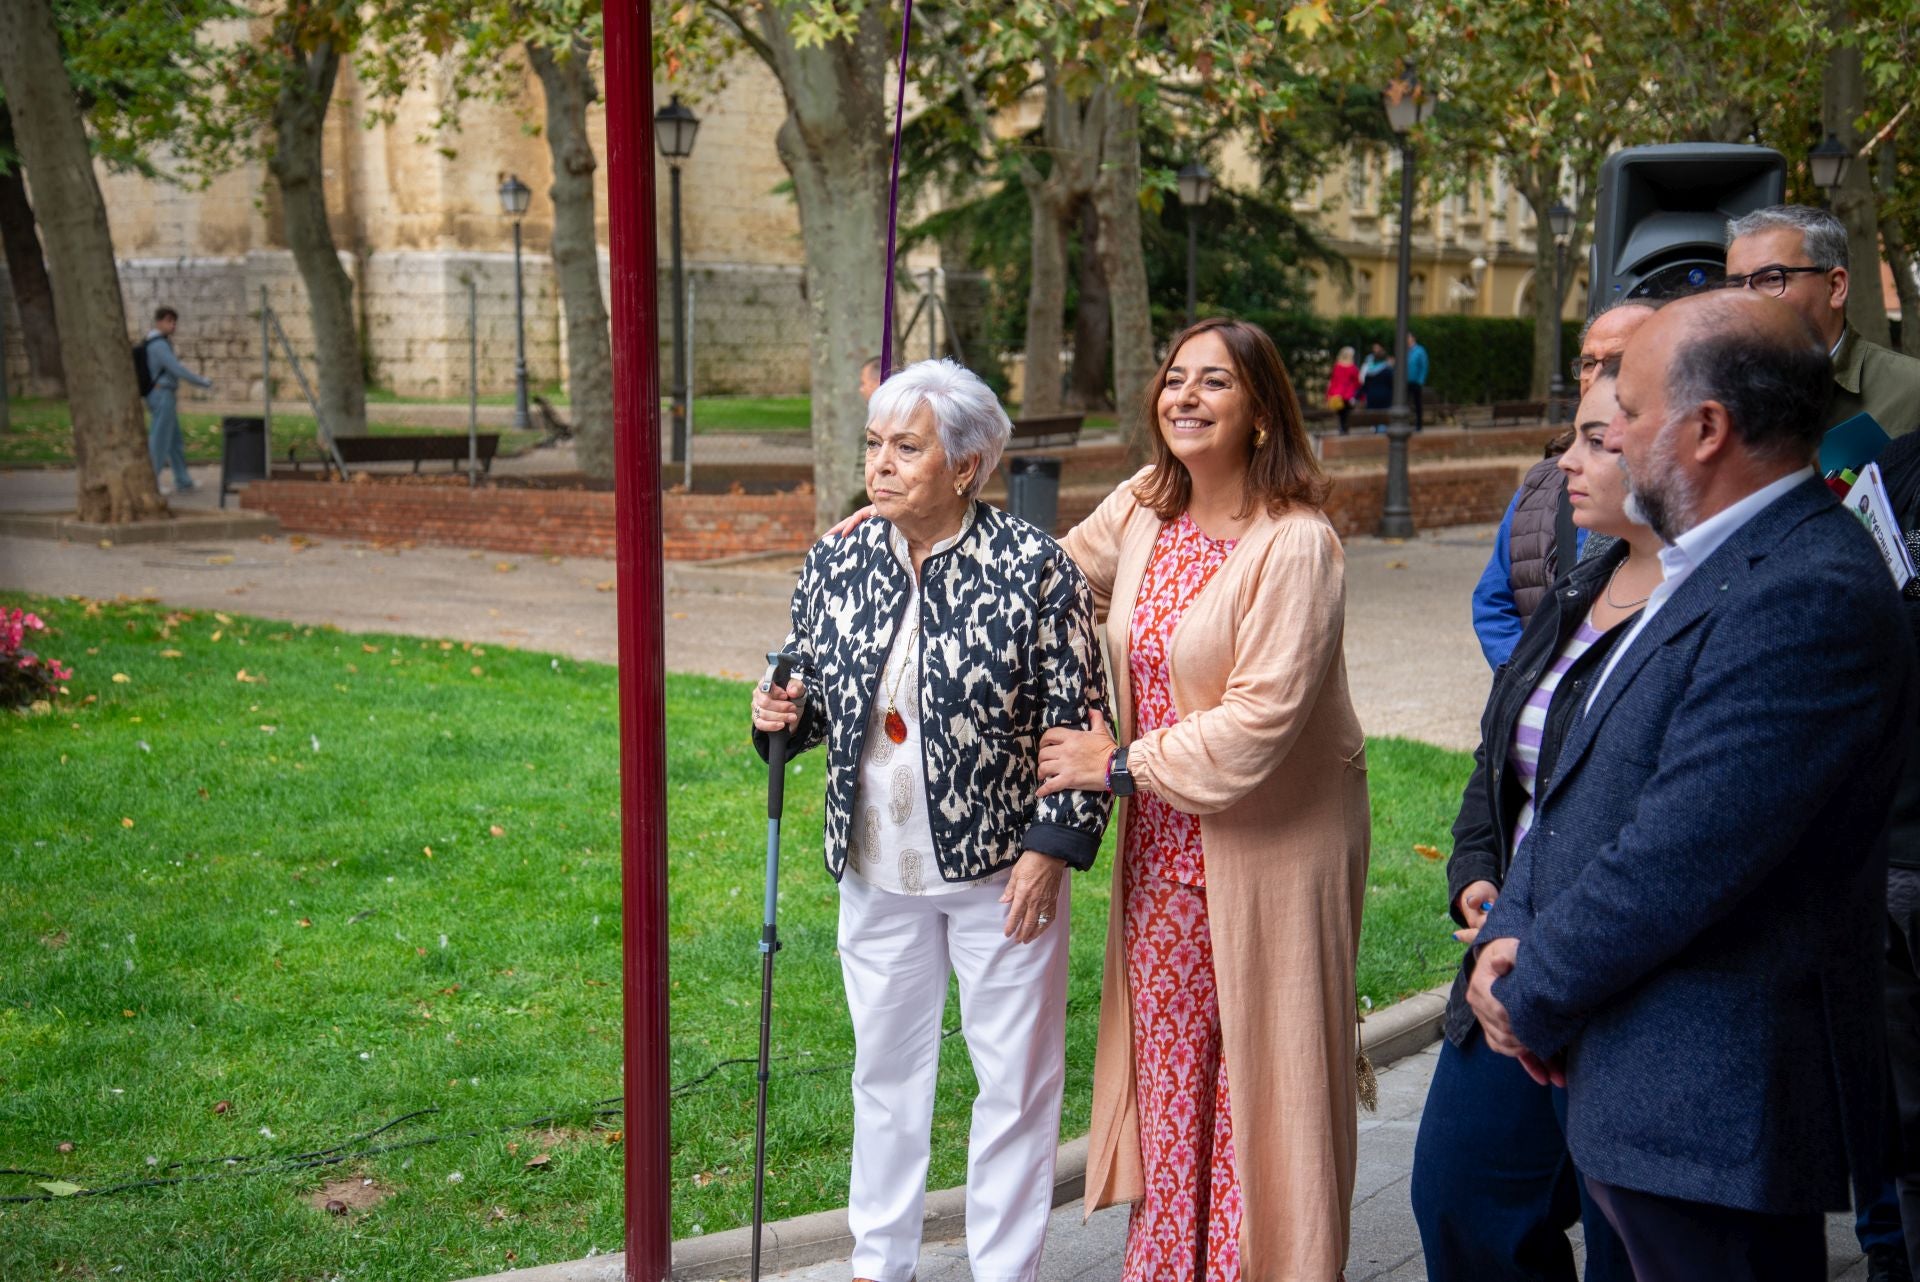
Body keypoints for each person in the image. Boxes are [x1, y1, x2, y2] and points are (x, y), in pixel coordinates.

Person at [1468, 289, 1917, 1281]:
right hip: (1647, 1097)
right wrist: (1510, 930)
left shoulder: (1806, 591)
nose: (1606, 437)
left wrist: (1528, 990)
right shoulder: (1696, 564)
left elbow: (1680, 852)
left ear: (1706, 429)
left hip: (1716, 1117)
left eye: (1626, 411)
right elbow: (1573, 781)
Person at [749, 358, 1111, 1282]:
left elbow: (1078, 720)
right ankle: (880, 1266)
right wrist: (780, 716)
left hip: (1002, 873)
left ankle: (1005, 1271)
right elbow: (814, 691)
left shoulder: (1035, 571)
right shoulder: (839, 556)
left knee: (1015, 1090)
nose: (882, 464)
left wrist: (1051, 851)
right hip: (878, 864)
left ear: (968, 465)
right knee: (885, 1080)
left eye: (907, 447)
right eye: (875, 444)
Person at [1035, 318, 1371, 1280]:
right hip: (1164, 852)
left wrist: (1115, 763)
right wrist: (918, 527)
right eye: (1174, 378)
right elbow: (1045, 581)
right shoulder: (1145, 506)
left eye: (1213, 382)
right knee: (1172, 1077)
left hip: (1275, 847)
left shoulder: (1297, 546)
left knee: (1269, 1086)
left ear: (1260, 411)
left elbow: (1258, 724)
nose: (1184, 396)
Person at [1410, 368, 1645, 1282]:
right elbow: (1503, 752)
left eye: (1596, 439)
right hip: (1512, 963)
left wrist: (1527, 951)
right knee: (1460, 1205)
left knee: (1630, 1243)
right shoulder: (1585, 588)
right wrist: (1475, 866)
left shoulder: (1727, 603)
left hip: (1617, 992)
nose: (1566, 463)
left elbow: (1673, 836)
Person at [1470, 300, 1657, 668]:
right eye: (1588, 362)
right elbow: (1493, 603)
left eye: (1615, 362)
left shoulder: (1681, 488)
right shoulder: (1542, 482)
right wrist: (1529, 680)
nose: (1595, 375)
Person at [1725, 204, 1920, 438]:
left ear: (1835, 287)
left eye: (1773, 279)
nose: (1747, 299)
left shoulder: (1911, 393)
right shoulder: (1718, 396)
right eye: (1736, 285)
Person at [142, 306, 213, 494]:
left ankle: (183, 479)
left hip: (165, 394)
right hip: (161, 394)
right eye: (169, 321)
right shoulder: (158, 345)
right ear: (159, 322)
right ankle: (150, 482)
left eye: (174, 322)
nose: (172, 326)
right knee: (159, 440)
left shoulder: (159, 342)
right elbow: (176, 369)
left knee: (174, 441)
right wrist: (202, 382)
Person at [1326, 345, 1361, 434]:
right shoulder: (1352, 368)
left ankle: (1342, 428)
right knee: (1347, 413)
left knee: (1340, 413)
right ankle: (1345, 428)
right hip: (1348, 394)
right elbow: (1357, 382)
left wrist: (1329, 394)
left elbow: (1333, 381)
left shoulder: (1337, 366)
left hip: (1337, 393)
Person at [1360, 341, 1394, 410]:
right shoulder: (1388, 370)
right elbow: (1392, 384)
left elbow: (1365, 386)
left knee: (1372, 417)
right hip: (1385, 397)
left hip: (1371, 397)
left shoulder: (1369, 370)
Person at [1406, 333, 1429, 430]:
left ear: (1413, 338)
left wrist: (1420, 380)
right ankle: (1405, 423)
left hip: (1416, 382)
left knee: (1417, 404)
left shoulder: (1420, 351)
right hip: (1406, 382)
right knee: (1405, 404)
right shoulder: (1405, 351)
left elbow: (1424, 366)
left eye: (1408, 337)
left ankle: (1419, 424)